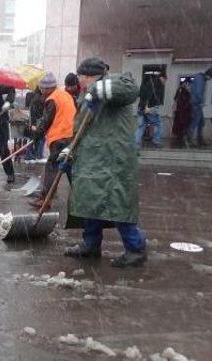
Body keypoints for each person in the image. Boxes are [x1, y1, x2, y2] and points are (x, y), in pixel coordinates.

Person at [63, 57, 147, 268]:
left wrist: (97, 89)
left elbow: (130, 89)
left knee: (116, 203)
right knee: (90, 204)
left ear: (90, 76)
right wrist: (69, 151)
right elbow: (81, 126)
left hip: (113, 159)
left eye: (81, 77)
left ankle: (135, 250)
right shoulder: (85, 96)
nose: (80, 81)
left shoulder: (117, 83)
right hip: (91, 158)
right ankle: (90, 245)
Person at [25, 72, 76, 210]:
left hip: (60, 138)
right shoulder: (65, 95)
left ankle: (44, 199)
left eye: (42, 88)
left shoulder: (52, 99)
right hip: (72, 137)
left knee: (51, 168)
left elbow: (46, 121)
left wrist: (35, 135)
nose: (41, 91)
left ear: (47, 88)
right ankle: (80, 199)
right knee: (71, 169)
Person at [135, 71, 166, 148]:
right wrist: (147, 107)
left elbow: (140, 94)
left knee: (141, 126)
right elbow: (149, 95)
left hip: (141, 107)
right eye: (165, 80)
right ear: (161, 77)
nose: (165, 82)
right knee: (158, 124)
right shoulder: (156, 84)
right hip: (150, 108)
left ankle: (135, 144)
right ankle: (156, 141)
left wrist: (143, 106)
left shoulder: (145, 83)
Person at [188, 67, 212, 147]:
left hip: (196, 104)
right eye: (211, 77)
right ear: (209, 75)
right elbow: (198, 92)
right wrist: (201, 102)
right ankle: (190, 140)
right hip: (196, 104)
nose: (210, 79)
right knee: (195, 123)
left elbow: (194, 90)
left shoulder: (199, 78)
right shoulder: (201, 79)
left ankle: (199, 139)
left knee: (201, 123)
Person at [26, 86, 45, 161]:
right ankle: (37, 155)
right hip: (38, 121)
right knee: (40, 138)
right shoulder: (39, 99)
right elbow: (36, 112)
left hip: (35, 121)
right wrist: (34, 124)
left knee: (34, 138)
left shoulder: (35, 98)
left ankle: (32, 154)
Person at [171, 80, 192, 147]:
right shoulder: (182, 91)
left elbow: (175, 100)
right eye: (188, 85)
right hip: (182, 110)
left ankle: (180, 136)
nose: (189, 86)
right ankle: (181, 137)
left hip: (182, 110)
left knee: (181, 123)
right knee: (181, 123)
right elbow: (176, 100)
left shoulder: (183, 90)